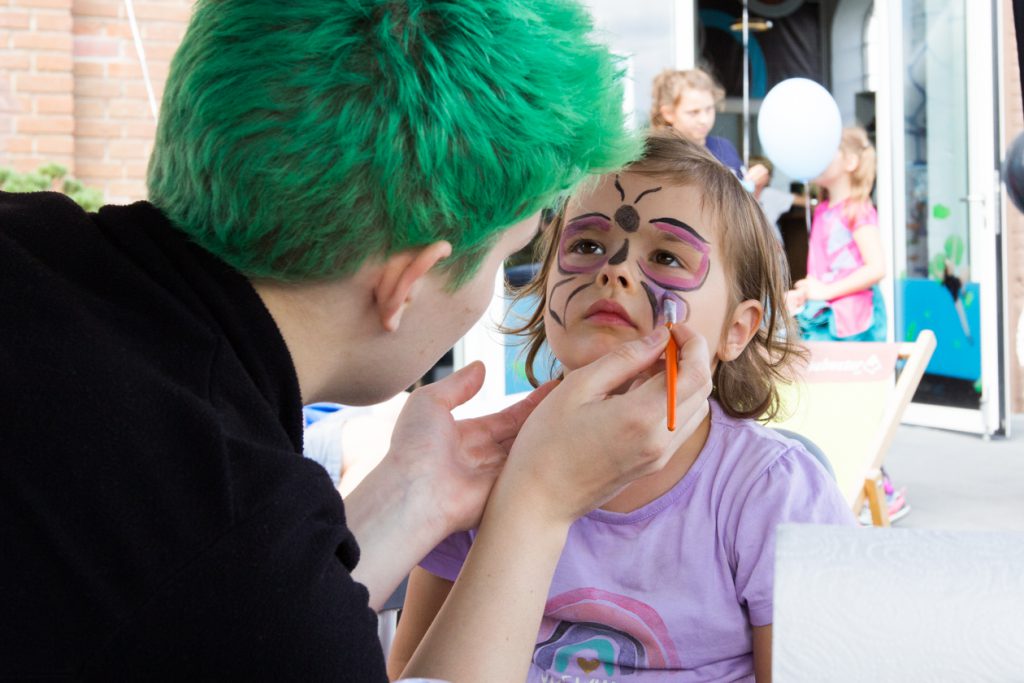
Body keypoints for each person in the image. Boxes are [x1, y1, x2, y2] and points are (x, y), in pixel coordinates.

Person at [0, 2, 717, 680]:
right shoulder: (245, 576)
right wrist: (539, 502)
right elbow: (243, 605)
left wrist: (413, 497)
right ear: (408, 281)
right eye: (508, 257)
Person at [388, 131, 857, 682]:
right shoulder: (480, 467)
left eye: (665, 255)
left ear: (738, 329)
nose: (615, 271)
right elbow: (408, 671)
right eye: (587, 246)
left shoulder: (772, 493)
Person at [786, 126, 887, 342]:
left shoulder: (857, 209)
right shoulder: (823, 210)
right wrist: (805, 293)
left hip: (854, 323)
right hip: (826, 318)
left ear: (850, 162)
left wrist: (826, 291)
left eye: (826, 151)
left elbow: (877, 268)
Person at [650, 67, 767, 189]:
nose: (704, 120)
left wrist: (756, 186)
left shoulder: (725, 147)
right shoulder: (662, 160)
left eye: (709, 109)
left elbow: (742, 204)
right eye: (694, 112)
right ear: (668, 113)